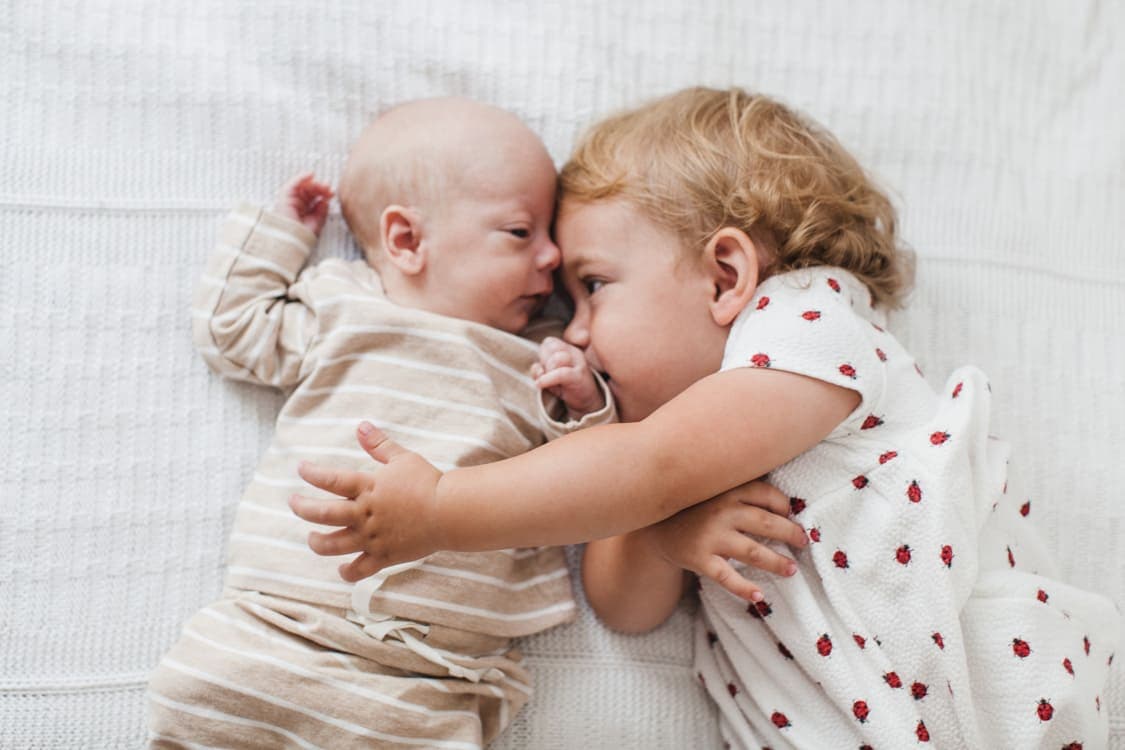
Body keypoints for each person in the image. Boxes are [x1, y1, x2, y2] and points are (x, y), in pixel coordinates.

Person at [291, 88, 1121, 749]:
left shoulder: (810, 325)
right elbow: (624, 603)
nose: (572, 328)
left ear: (726, 274)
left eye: (594, 285)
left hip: (988, 702)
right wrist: (660, 537)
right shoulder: (678, 441)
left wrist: (444, 510)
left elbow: (651, 468)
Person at [147, 97, 629, 749]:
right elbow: (232, 334)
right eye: (521, 232)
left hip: (434, 666)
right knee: (200, 694)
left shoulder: (540, 354)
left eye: (551, 237)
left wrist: (582, 401)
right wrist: (280, 235)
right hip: (282, 622)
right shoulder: (343, 305)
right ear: (406, 240)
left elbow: (588, 475)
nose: (550, 259)